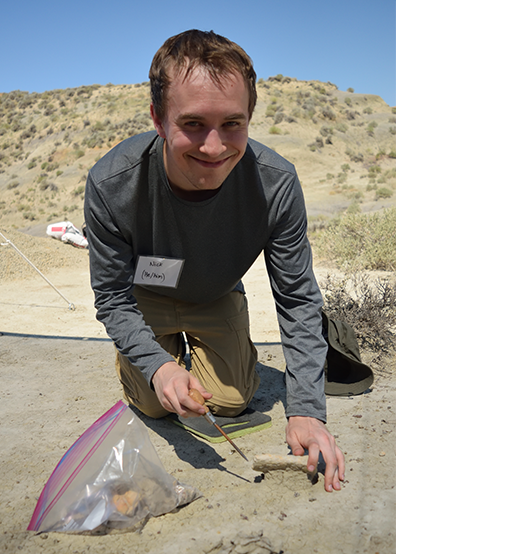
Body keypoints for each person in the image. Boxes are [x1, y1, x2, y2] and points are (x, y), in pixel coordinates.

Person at [84, 29, 345, 492]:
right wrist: (158, 366)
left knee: (227, 401)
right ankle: (156, 353)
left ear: (249, 118)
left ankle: (195, 348)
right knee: (156, 400)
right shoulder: (111, 184)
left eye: (232, 124)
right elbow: (111, 296)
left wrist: (306, 409)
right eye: (192, 124)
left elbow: (297, 300)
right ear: (158, 119)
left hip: (217, 294)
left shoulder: (276, 185)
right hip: (145, 297)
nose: (213, 147)